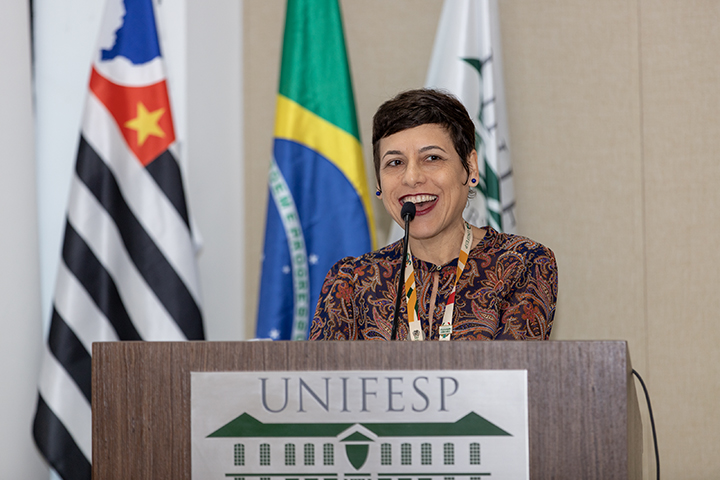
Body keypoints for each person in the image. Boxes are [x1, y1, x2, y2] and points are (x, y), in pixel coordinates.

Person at [309, 89, 557, 341]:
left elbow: (510, 374)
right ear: (379, 183)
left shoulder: (521, 264)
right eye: (395, 163)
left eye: (432, 158)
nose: (412, 177)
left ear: (470, 167)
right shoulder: (352, 282)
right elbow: (325, 378)